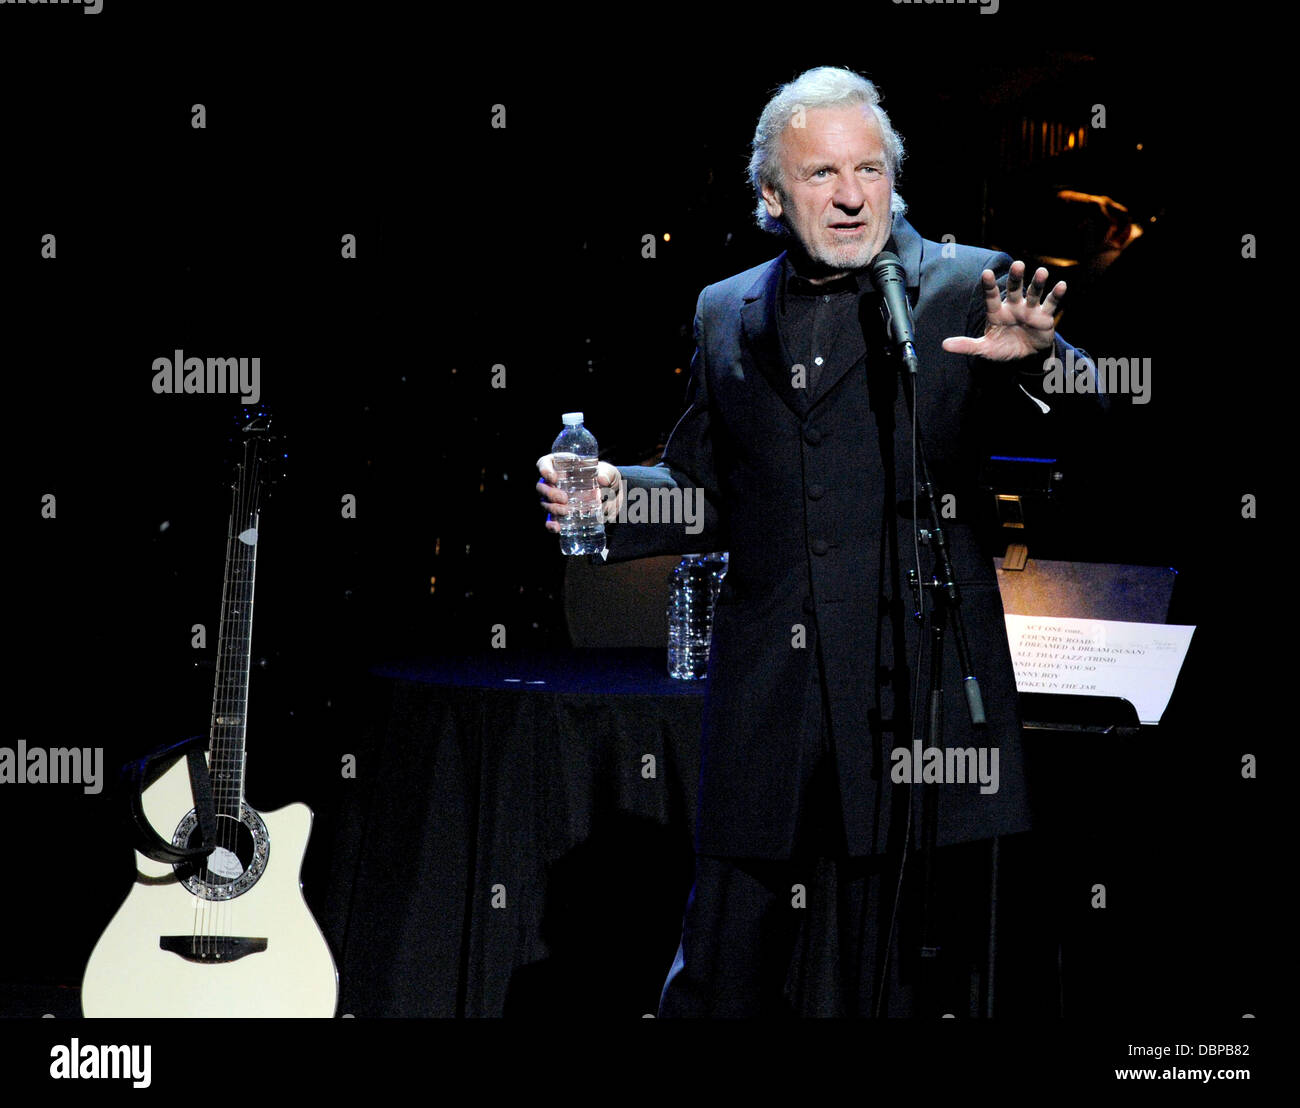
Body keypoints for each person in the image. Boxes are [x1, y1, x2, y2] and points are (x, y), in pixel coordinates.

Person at [536, 66, 1103, 1017]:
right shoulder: (728, 310)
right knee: (722, 974)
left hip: (916, 699)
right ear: (769, 194)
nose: (850, 197)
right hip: (771, 702)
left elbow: (1118, 429)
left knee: (913, 979)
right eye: (821, 175)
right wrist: (613, 495)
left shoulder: (970, 287)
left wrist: (1052, 363)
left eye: (870, 171)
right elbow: (710, 492)